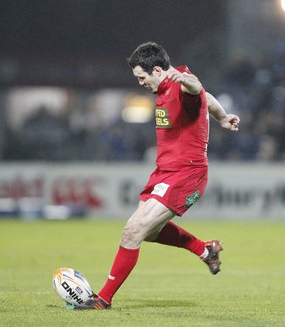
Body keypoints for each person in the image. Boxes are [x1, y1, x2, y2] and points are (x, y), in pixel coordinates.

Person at [74, 42, 240, 310]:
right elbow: (206, 98)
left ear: (158, 70)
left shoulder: (181, 84)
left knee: (133, 231)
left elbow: (196, 89)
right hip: (164, 172)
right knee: (150, 233)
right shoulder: (164, 87)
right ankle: (205, 250)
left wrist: (185, 79)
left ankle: (103, 299)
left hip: (186, 173)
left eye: (142, 77)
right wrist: (222, 118)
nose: (140, 82)